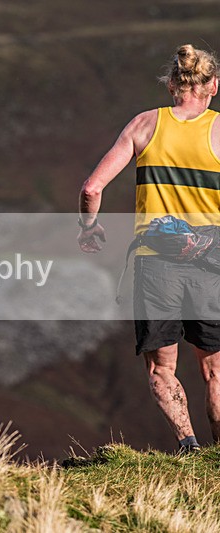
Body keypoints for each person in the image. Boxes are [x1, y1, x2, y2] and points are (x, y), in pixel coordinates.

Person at [78, 44, 220, 453]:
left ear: (173, 84)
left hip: (156, 265)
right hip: (210, 265)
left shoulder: (144, 125)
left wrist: (89, 227)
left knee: (162, 368)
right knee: (214, 369)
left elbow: (92, 187)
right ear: (213, 86)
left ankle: (188, 447)